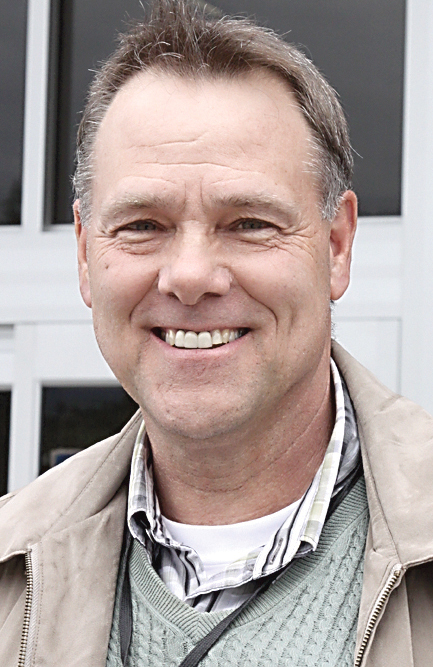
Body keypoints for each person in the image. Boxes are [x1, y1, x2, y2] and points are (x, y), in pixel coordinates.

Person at [1, 1, 433, 665]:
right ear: (85, 253)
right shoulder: (11, 565)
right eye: (142, 225)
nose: (190, 275)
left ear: (337, 246)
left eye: (249, 223)